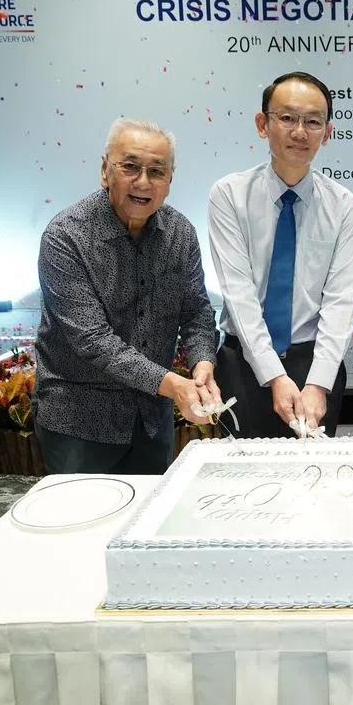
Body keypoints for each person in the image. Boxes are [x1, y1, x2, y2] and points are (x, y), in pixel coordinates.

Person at [34, 118, 221, 474]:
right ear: (105, 171)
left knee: (148, 522)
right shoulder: (65, 237)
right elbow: (92, 340)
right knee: (83, 524)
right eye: (130, 167)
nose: (143, 182)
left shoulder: (180, 233)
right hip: (80, 422)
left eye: (157, 171)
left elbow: (196, 310)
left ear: (170, 181)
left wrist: (202, 365)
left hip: (151, 420)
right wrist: (172, 385)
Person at [207, 71, 353, 438]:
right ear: (263, 124)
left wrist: (319, 383)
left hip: (315, 363)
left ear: (328, 133)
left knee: (313, 479)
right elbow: (239, 296)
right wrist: (274, 375)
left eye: (313, 122)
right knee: (243, 483)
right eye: (287, 118)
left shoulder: (343, 206)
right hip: (243, 359)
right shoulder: (229, 195)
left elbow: (340, 303)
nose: (299, 132)